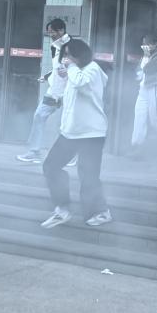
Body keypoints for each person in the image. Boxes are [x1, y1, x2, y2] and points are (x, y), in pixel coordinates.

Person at [40, 39, 112, 229]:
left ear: (81, 55)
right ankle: (62, 209)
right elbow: (68, 98)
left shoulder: (93, 69)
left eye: (70, 55)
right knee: (51, 166)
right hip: (70, 132)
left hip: (91, 133)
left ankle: (100, 212)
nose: (66, 59)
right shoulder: (74, 72)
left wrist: (70, 68)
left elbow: (81, 82)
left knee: (88, 174)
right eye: (64, 55)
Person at [17, 18, 74, 165]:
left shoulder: (72, 46)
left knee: (66, 125)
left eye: (52, 32)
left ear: (61, 30)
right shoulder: (55, 47)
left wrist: (68, 72)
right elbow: (57, 68)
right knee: (39, 116)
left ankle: (70, 156)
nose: (50, 36)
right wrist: (48, 76)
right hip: (53, 91)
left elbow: (79, 68)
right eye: (49, 33)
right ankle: (34, 152)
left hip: (67, 94)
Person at [131, 34, 157, 151]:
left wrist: (146, 56)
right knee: (139, 117)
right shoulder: (146, 56)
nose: (144, 47)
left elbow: (147, 69)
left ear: (155, 44)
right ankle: (136, 145)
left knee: (156, 120)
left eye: (147, 44)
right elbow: (139, 71)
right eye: (143, 44)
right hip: (143, 90)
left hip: (154, 89)